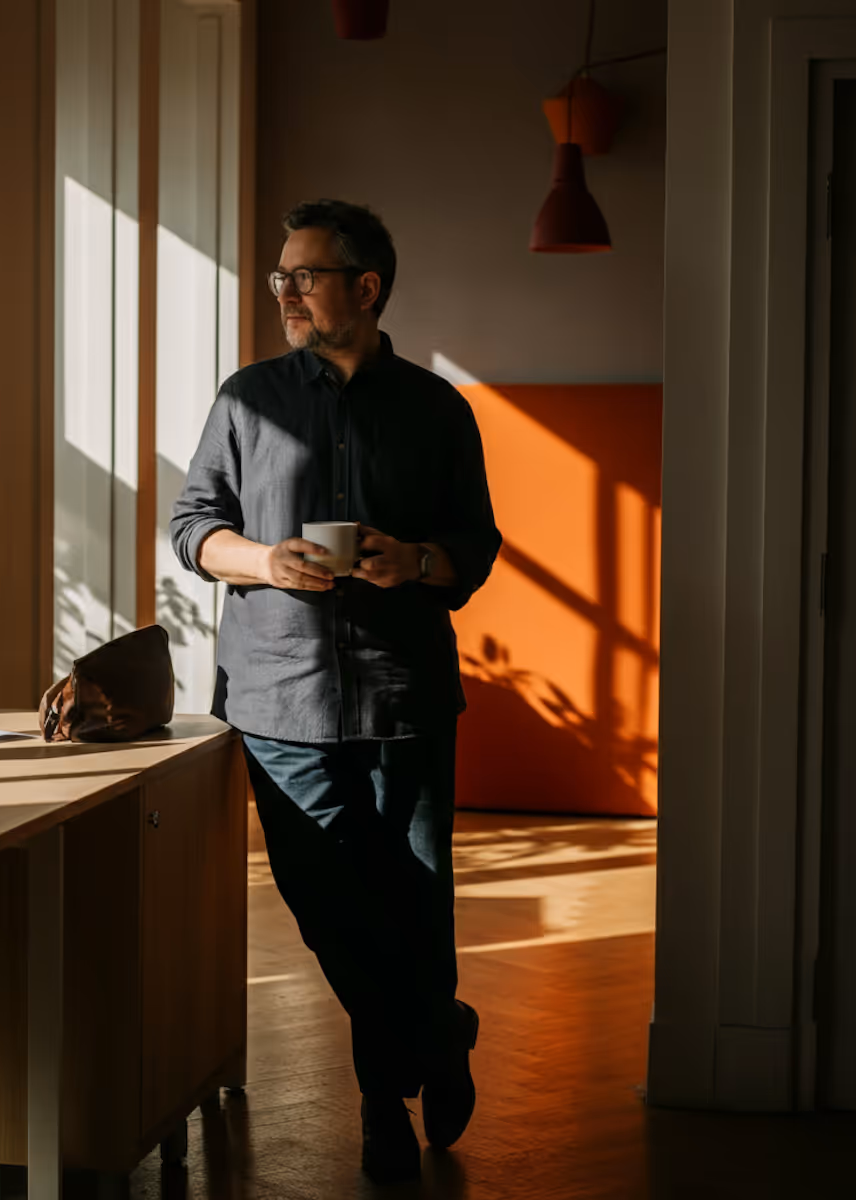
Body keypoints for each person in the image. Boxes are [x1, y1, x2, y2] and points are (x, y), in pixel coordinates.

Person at [171, 200, 502, 1183]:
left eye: (304, 274)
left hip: (405, 694)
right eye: (280, 275)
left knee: (415, 896)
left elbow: (475, 546)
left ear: (366, 287)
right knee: (328, 903)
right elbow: (194, 529)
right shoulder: (247, 398)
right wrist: (265, 563)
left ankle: (379, 1106)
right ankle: (435, 1036)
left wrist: (418, 559)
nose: (284, 291)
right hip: (279, 700)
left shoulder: (439, 410)